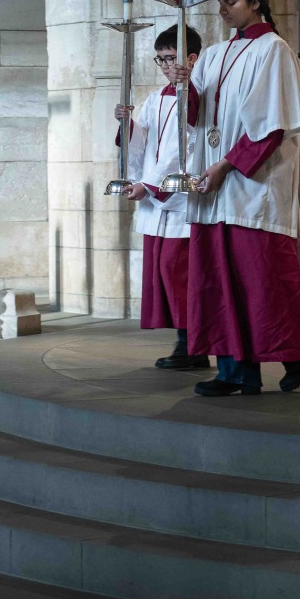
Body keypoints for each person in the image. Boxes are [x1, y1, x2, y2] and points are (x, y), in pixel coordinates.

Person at [183, 0, 300, 396]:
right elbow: (195, 116)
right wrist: (182, 85)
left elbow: (272, 125)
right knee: (219, 281)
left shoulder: (274, 51)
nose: (223, 11)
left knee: (263, 282)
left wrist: (226, 165)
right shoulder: (213, 54)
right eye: (220, 3)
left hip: (254, 186)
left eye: (231, 2)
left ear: (255, 2)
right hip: (215, 188)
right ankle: (235, 373)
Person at [116, 26, 205, 369]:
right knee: (164, 271)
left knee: (177, 270)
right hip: (156, 201)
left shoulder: (196, 97)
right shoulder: (155, 98)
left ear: (191, 59)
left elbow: (184, 149)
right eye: (161, 59)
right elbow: (144, 144)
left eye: (171, 58)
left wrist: (150, 185)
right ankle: (185, 344)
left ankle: (193, 346)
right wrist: (127, 124)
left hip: (179, 200)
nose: (166, 66)